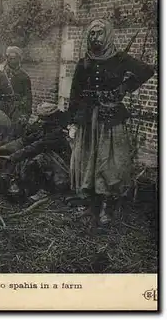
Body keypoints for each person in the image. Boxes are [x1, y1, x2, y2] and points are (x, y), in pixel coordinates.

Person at [68, 19, 155, 228]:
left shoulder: (120, 59)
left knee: (110, 161)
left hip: (111, 118)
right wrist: (72, 120)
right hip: (89, 119)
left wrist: (124, 88)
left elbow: (147, 71)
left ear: (107, 35)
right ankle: (90, 201)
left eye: (99, 33)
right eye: (92, 33)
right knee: (88, 158)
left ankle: (108, 203)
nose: (95, 37)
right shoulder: (84, 63)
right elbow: (75, 93)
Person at [0, 102, 71, 201]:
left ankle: (44, 190)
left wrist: (12, 157)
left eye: (41, 118)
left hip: (62, 169)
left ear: (51, 119)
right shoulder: (44, 130)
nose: (38, 120)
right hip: (53, 165)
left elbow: (35, 147)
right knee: (26, 159)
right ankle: (23, 185)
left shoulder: (56, 134)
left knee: (37, 159)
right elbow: (23, 141)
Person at [0, 46, 32, 135]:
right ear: (7, 59)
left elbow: (28, 97)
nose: (12, 61)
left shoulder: (24, 76)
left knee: (15, 132)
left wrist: (26, 114)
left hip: (16, 108)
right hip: (1, 106)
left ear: (19, 59)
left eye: (15, 58)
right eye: (10, 58)